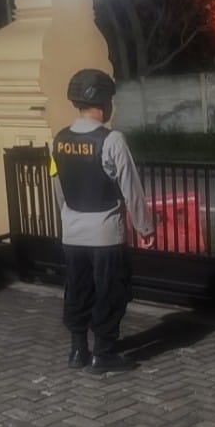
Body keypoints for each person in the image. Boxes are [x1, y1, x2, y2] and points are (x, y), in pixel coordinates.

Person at [50, 69, 155, 374]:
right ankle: (104, 353)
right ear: (103, 102)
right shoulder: (112, 140)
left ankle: (77, 350)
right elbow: (131, 188)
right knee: (110, 292)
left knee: (77, 289)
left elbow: (58, 187)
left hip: (72, 233)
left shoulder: (59, 139)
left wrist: (67, 220)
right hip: (105, 234)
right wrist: (144, 226)